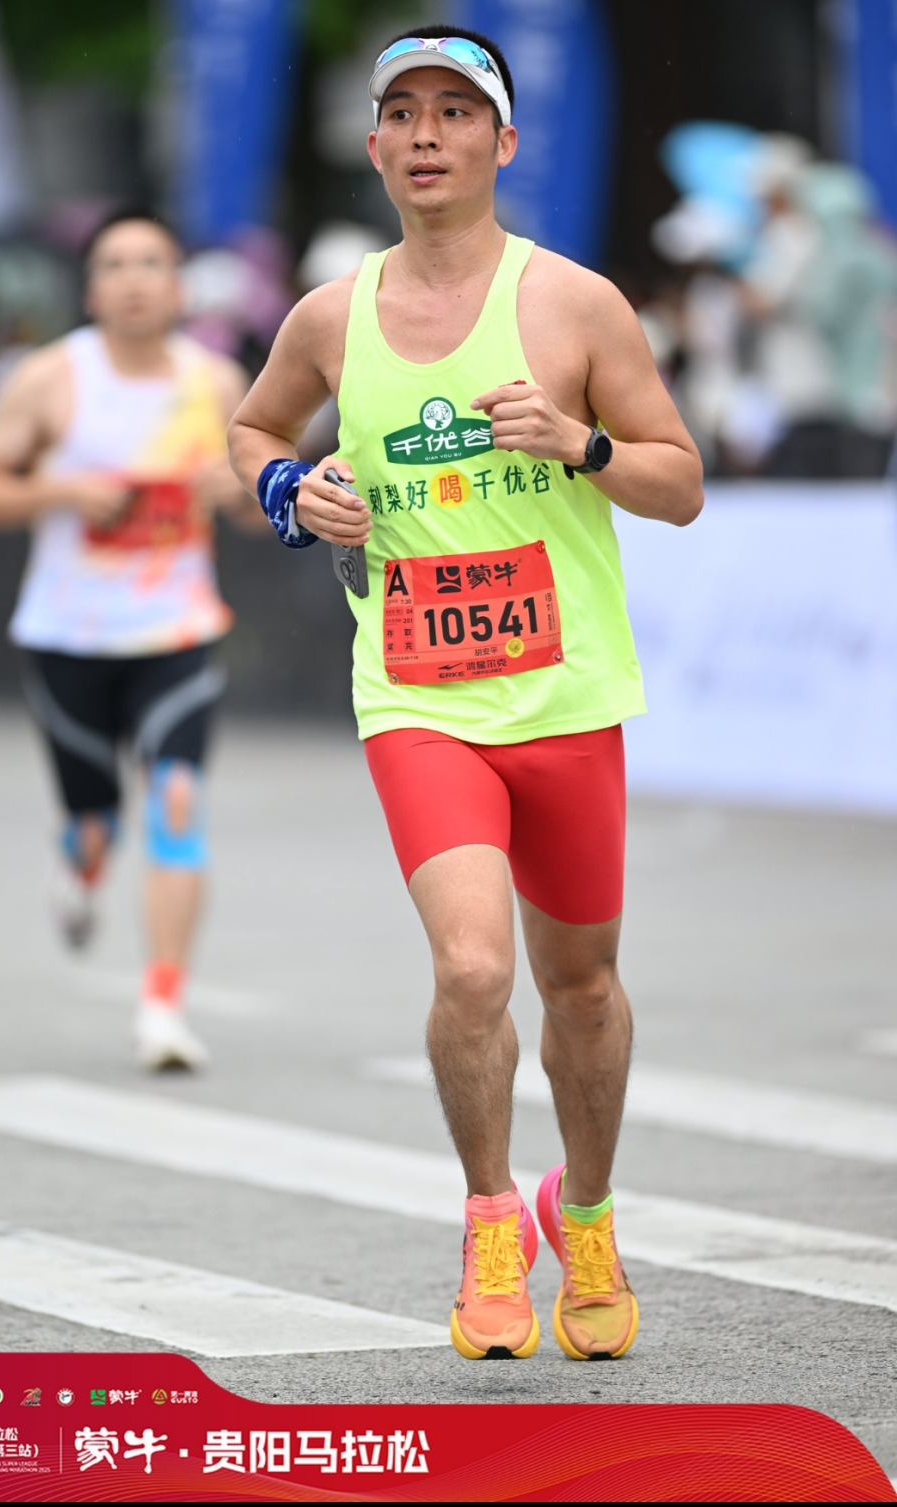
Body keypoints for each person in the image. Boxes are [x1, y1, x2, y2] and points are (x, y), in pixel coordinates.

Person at [228, 29, 703, 1360]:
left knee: (583, 987)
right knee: (474, 965)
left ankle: (585, 1216)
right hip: (419, 694)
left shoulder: (577, 305)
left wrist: (583, 443)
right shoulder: (330, 316)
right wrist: (290, 488)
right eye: (402, 112)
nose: (426, 134)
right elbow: (252, 429)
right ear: (374, 145)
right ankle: (494, 1218)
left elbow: (679, 481)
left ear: (503, 141)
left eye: (455, 110)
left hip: (565, 696)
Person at [0, 207, 258, 1071]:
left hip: (177, 630)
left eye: (151, 263)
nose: (133, 281)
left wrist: (235, 491)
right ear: (90, 289)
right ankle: (79, 864)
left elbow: (265, 508)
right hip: (69, 637)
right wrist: (62, 492)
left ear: (179, 286)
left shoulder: (216, 382)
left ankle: (163, 1005)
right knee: (95, 828)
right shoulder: (51, 379)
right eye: (114, 265)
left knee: (178, 802)